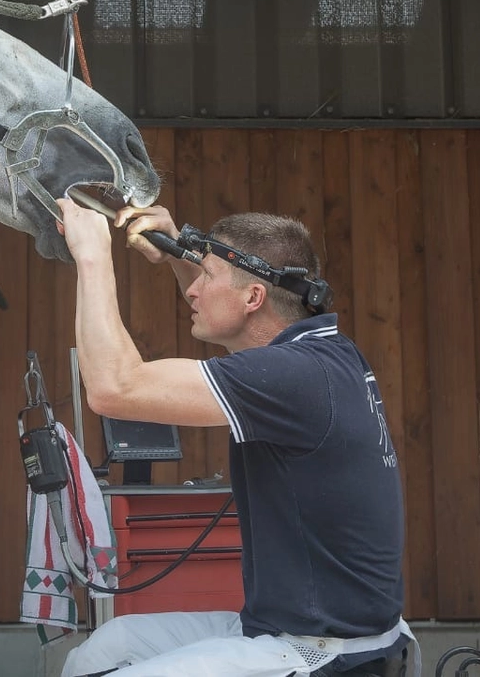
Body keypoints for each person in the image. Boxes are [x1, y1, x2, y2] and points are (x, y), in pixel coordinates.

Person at [55, 199, 411, 677]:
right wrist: (181, 253)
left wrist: (92, 254)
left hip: (328, 649)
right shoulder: (325, 353)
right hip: (291, 626)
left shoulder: (293, 375)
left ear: (253, 298)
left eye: (207, 277)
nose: (193, 292)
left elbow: (114, 388)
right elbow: (230, 316)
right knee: (104, 649)